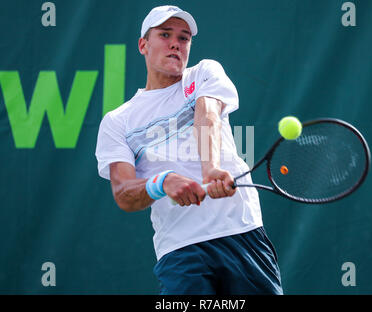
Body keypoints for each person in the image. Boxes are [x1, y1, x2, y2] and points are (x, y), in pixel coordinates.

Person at [95, 5, 283, 295]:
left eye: (184, 38)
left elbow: (206, 113)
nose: (176, 43)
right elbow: (124, 194)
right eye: (165, 34)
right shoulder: (117, 121)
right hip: (180, 251)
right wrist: (162, 183)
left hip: (241, 234)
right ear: (143, 45)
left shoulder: (204, 72)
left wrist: (210, 169)